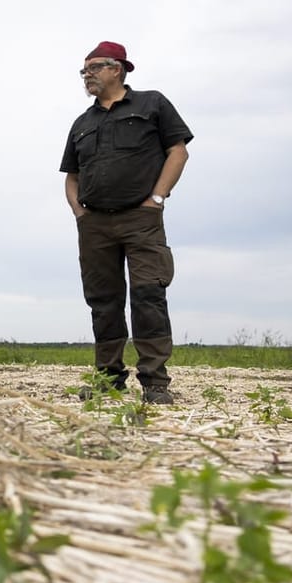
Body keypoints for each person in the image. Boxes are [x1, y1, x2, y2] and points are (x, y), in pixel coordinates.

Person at [60, 41, 192, 404]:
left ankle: (154, 382)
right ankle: (109, 379)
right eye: (83, 70)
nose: (86, 75)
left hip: (141, 218)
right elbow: (71, 175)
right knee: (103, 300)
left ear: (117, 68)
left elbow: (178, 151)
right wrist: (79, 212)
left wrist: (157, 199)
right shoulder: (82, 123)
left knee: (149, 294)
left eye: (93, 68)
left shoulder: (152, 104)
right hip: (95, 224)